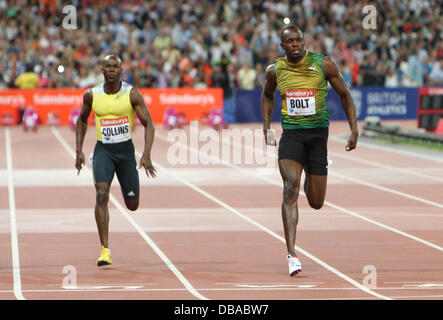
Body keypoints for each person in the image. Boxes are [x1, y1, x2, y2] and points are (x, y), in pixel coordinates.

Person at [261, 25, 358, 277]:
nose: (294, 44)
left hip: (318, 137)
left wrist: (354, 129)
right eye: (289, 42)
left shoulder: (323, 64)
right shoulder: (275, 70)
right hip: (291, 135)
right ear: (282, 47)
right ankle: (292, 254)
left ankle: (314, 167)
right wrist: (266, 127)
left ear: (304, 42)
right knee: (290, 186)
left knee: (316, 202)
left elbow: (345, 94)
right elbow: (267, 95)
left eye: (298, 40)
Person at [75, 54, 157, 267]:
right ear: (102, 69)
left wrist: (146, 154)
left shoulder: (132, 94)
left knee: (132, 205)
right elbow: (82, 120)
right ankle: (105, 250)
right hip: (104, 151)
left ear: (121, 71)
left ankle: (128, 188)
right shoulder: (92, 95)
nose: (111, 70)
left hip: (125, 153)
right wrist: (78, 150)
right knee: (101, 194)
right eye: (108, 66)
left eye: (115, 67)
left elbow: (149, 123)